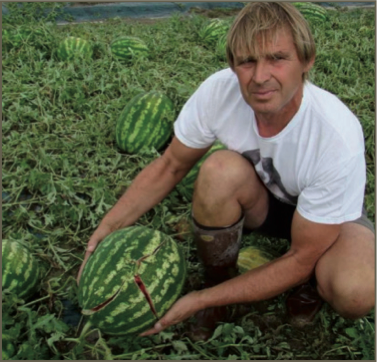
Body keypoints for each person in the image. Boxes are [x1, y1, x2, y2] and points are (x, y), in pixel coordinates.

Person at [77, 2, 375, 340]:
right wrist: (107, 228)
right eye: (247, 61)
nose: (260, 77)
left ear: (307, 61)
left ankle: (312, 287)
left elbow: (300, 257)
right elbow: (171, 166)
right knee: (219, 169)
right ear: (233, 65)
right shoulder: (219, 93)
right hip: (266, 198)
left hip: (328, 220)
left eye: (277, 58)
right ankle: (218, 279)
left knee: (355, 292)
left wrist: (195, 301)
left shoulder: (335, 135)